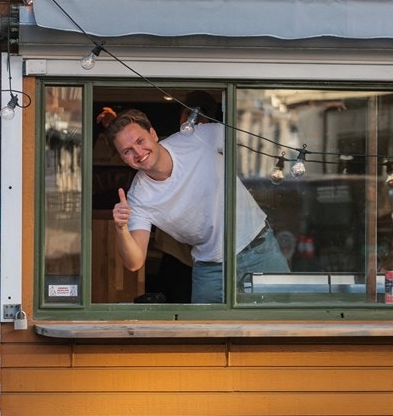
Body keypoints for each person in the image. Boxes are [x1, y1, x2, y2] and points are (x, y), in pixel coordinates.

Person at [107, 108, 288, 304]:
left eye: (140, 141)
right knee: (207, 332)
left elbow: (249, 137)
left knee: (286, 321)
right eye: (127, 151)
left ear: (153, 134)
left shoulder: (196, 137)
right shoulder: (139, 197)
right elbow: (134, 262)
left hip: (259, 248)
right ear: (122, 158)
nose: (138, 152)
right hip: (210, 268)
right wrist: (121, 228)